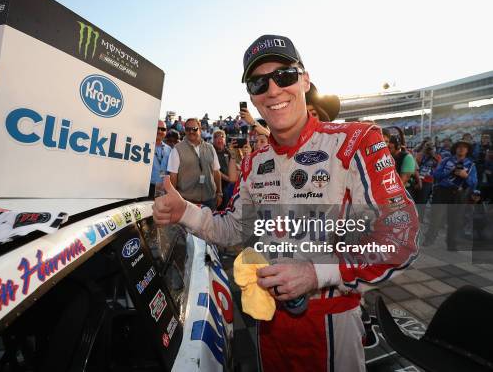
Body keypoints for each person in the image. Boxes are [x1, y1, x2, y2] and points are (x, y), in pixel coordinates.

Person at [153, 34, 419, 372]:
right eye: (258, 82)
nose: (273, 90)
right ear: (252, 96)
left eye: (285, 75)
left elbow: (402, 235)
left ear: (305, 80)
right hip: (268, 321)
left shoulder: (356, 141)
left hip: (332, 322)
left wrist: (315, 273)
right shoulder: (253, 161)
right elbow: (235, 230)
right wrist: (184, 211)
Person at [424, 139, 477, 249]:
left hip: (458, 194)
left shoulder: (471, 165)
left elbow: (474, 183)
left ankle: (451, 244)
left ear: (468, 150)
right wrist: (449, 171)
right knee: (436, 217)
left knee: (455, 220)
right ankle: (429, 239)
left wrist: (465, 176)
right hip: (442, 192)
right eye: (459, 146)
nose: (461, 149)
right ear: (455, 149)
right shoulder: (446, 160)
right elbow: (436, 174)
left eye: (464, 147)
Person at [167, 118, 222, 210]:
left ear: (200, 129)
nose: (191, 131)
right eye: (188, 129)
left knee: (209, 224)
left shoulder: (210, 148)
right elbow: (173, 176)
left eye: (194, 129)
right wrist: (174, 198)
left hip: (209, 199)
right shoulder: (177, 149)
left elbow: (216, 172)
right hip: (187, 201)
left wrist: (219, 193)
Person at [414, 142, 440, 222]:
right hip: (420, 179)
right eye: (427, 147)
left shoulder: (437, 157)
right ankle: (417, 218)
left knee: (424, 200)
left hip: (430, 181)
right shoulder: (420, 155)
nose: (429, 149)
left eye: (431, 148)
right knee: (420, 200)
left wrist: (433, 156)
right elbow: (416, 167)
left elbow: (438, 168)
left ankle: (420, 218)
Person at [149, 120, 172, 197]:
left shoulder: (169, 149)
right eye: (157, 128)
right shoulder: (144, 146)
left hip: (163, 188)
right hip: (147, 188)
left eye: (163, 129)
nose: (160, 131)